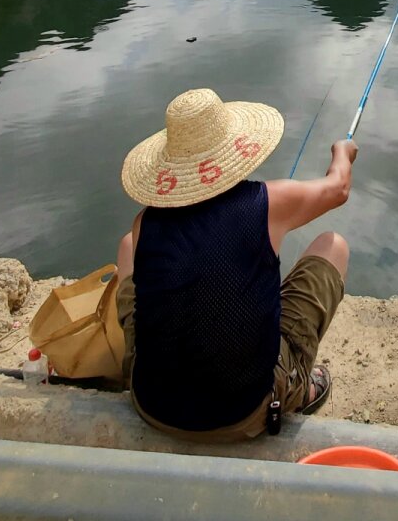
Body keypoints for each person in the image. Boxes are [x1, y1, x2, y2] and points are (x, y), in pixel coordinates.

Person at [115, 87, 356, 440]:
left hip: (152, 406)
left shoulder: (143, 221)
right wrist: (342, 151)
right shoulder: (269, 202)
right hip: (243, 414)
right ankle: (297, 389)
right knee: (334, 247)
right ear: (234, 147)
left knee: (127, 246)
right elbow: (338, 189)